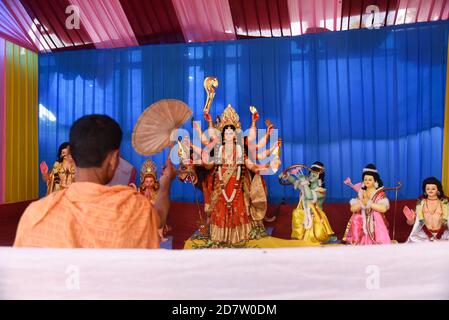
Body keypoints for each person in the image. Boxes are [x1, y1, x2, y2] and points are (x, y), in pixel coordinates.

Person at [14, 114, 176, 248]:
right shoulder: (135, 208)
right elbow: (160, 216)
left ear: (71, 158)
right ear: (113, 159)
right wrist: (166, 182)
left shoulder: (35, 215)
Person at [283, 162, 334, 243]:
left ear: (320, 176)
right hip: (304, 218)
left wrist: (304, 182)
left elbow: (309, 196)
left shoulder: (321, 191)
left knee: (313, 240)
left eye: (316, 174)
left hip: (316, 220)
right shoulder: (306, 186)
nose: (312, 175)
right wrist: (287, 176)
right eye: (311, 173)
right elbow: (294, 182)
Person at [343, 164, 391, 245]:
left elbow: (383, 209)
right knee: (356, 217)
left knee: (376, 215)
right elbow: (352, 209)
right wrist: (362, 203)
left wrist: (369, 203)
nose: (367, 181)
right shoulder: (361, 192)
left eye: (370, 179)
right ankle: (358, 241)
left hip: (375, 221)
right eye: (365, 179)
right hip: (362, 220)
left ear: (375, 181)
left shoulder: (379, 193)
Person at [404, 177, 449, 242]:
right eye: (428, 189)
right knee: (413, 240)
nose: (430, 190)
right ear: (425, 191)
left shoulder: (444, 203)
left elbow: (447, 220)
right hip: (424, 236)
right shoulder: (421, 203)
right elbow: (413, 224)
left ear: (438, 190)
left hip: (442, 235)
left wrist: (440, 234)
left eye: (433, 189)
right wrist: (410, 219)